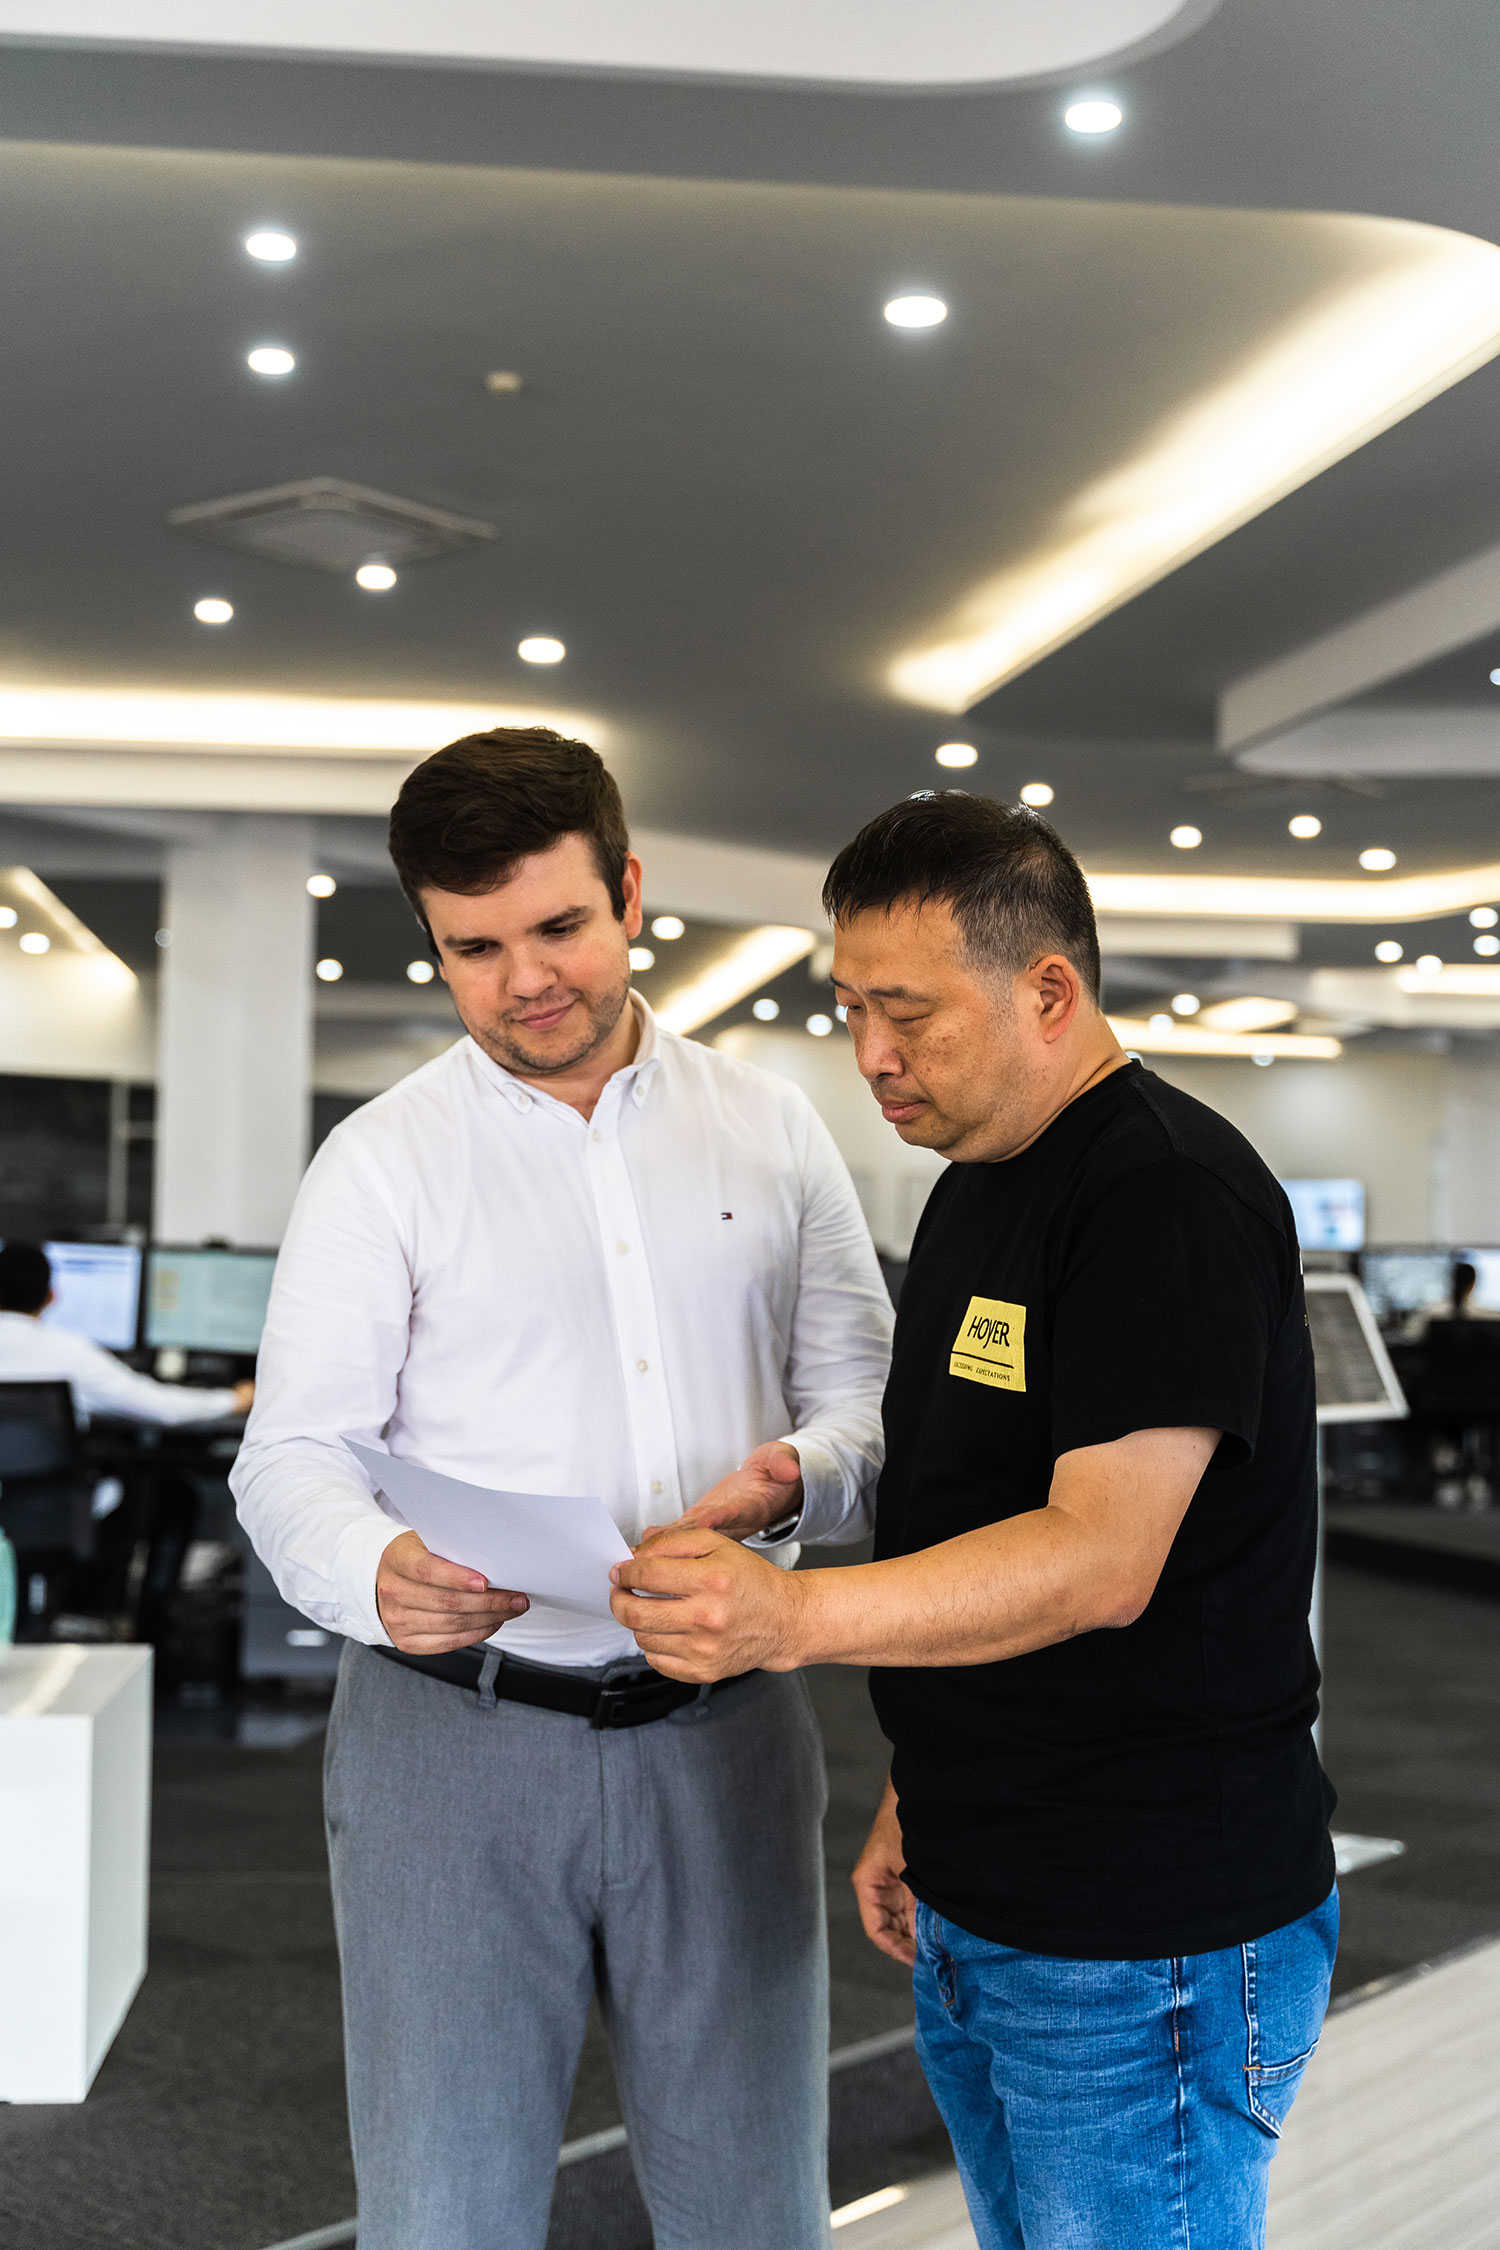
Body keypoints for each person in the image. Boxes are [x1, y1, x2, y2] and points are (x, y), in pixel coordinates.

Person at [611, 792, 1338, 2250]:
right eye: (852, 1008)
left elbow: (1098, 1557)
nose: (871, 1054)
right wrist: (921, 1788)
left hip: (1143, 1925)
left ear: (1048, 991)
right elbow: (973, 1498)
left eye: (909, 1013)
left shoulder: (1164, 1194)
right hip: (993, 1872)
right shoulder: (977, 1187)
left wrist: (788, 1616)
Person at [231, 727, 891, 2250]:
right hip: (449, 1743)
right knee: (444, 2212)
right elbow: (292, 1453)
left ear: (631, 894)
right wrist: (372, 1569)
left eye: (559, 927)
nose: (524, 980)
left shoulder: (772, 1128)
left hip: (725, 1728)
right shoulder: (381, 1162)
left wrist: (800, 1477)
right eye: (475, 948)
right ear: (433, 941)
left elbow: (866, 1400)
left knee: (754, 2207)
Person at [0, 1242, 251, 1424]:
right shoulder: (71, 1353)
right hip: (51, 1483)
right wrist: (234, 1400)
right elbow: (158, 1406)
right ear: (51, 1297)